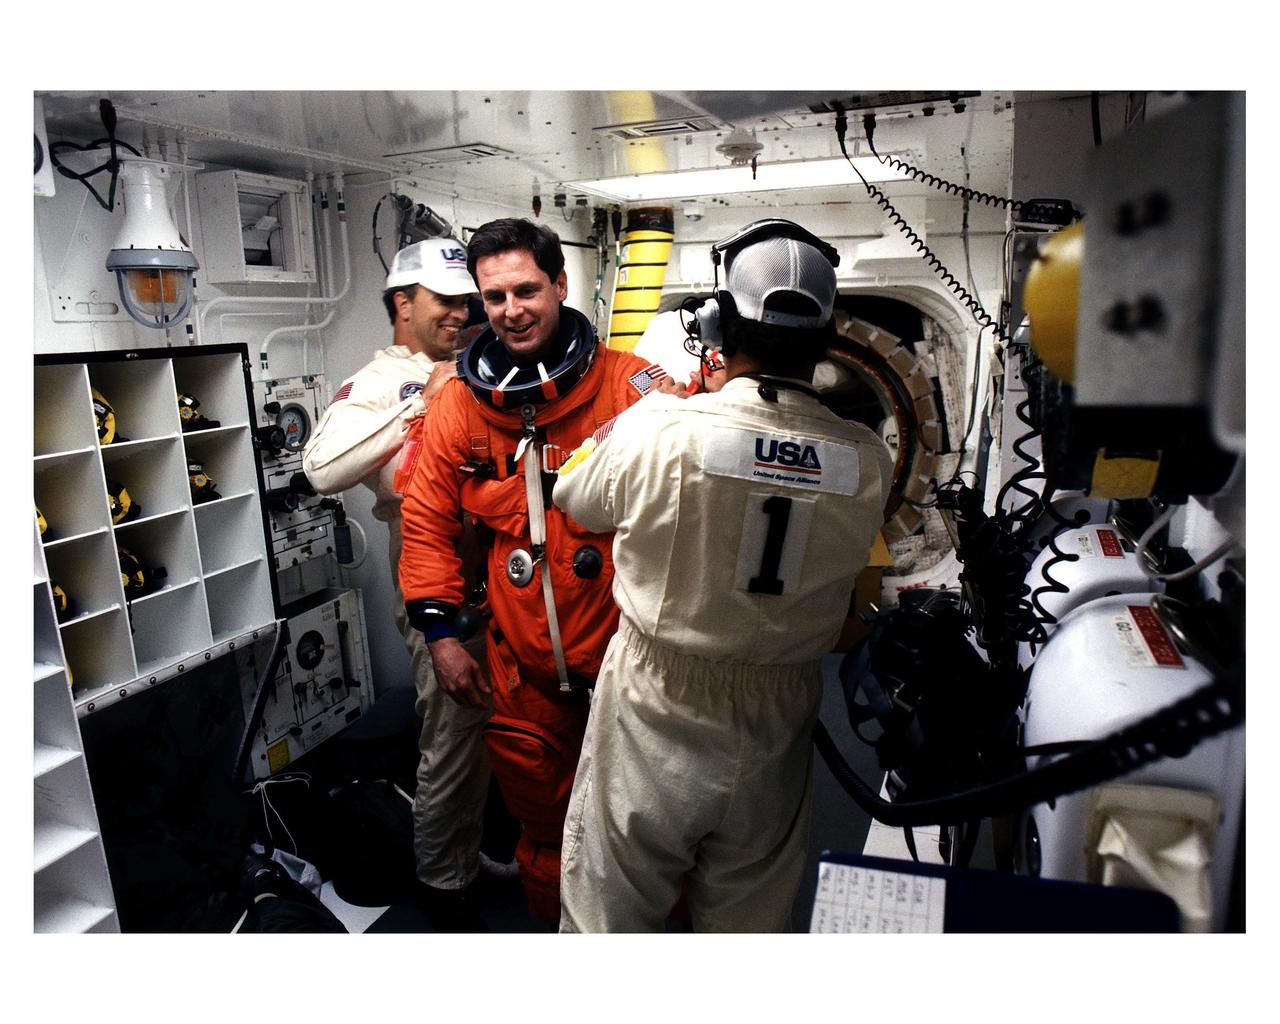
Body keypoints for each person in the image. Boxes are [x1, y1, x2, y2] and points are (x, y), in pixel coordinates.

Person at [553, 219, 894, 932]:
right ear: (829, 338)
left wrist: (659, 410)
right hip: (781, 712)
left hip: (657, 700)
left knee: (608, 918)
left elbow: (573, 496)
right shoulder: (867, 457)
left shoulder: (661, 428)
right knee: (749, 925)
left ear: (715, 325)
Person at [397, 217, 664, 922]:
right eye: (494, 297)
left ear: (560, 285)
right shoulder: (460, 404)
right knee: (545, 836)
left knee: (648, 831)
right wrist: (442, 637)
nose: (510, 310)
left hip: (627, 666)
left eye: (525, 291)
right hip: (522, 673)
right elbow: (425, 523)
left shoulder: (630, 387)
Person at [302, 237, 497, 928]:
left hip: (502, 561)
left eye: (467, 302)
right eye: (445, 300)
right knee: (453, 735)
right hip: (430, 565)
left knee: (509, 723)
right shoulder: (382, 382)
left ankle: (486, 845)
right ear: (403, 303)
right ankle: (445, 886)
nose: (460, 313)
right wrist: (421, 405)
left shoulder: (476, 361)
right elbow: (322, 470)